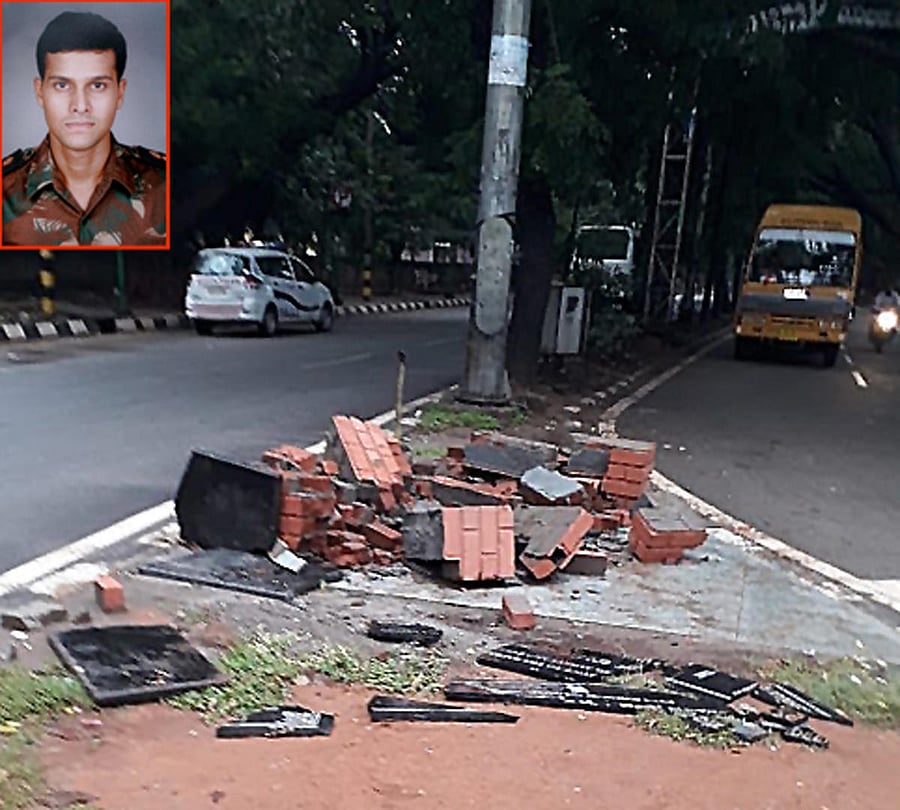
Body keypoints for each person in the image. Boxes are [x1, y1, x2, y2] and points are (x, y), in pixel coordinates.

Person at [2, 10, 165, 246]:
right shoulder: (5, 192)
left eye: (97, 85)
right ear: (40, 92)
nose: (80, 105)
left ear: (120, 92)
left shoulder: (164, 186)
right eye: (62, 85)